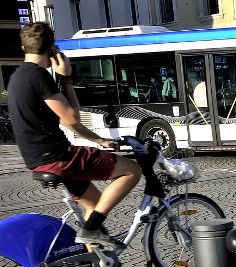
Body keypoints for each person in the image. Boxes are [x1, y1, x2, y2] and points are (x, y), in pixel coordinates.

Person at [7, 23, 141, 246]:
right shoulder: (38, 76)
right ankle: (90, 231)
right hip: (58, 158)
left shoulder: (17, 77)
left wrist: (98, 140)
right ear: (52, 49)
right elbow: (71, 119)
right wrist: (67, 79)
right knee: (132, 171)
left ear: (23, 48)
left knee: (95, 204)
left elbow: (67, 123)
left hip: (38, 160)